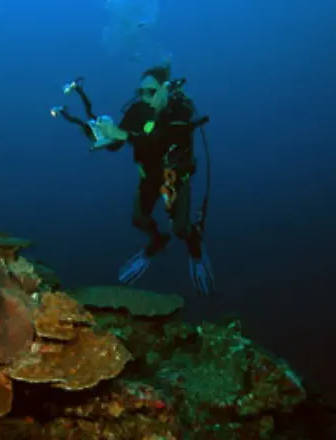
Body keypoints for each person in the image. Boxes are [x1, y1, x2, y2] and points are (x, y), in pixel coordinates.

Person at [51, 65, 216, 296]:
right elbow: (118, 143)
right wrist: (100, 135)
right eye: (141, 92)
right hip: (149, 176)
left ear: (165, 89)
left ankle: (193, 242)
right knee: (139, 219)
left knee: (179, 228)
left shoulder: (180, 110)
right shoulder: (137, 110)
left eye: (151, 91)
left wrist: (122, 135)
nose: (144, 97)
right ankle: (158, 241)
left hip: (174, 178)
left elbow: (161, 139)